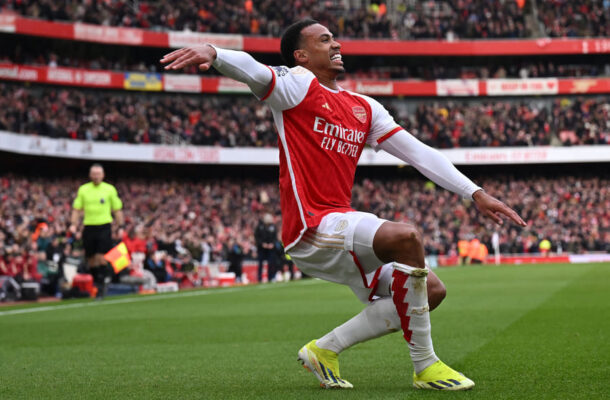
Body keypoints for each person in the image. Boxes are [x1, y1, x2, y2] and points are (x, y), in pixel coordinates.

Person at [161, 19, 526, 391]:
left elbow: (418, 152)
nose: (336, 44)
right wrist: (214, 53)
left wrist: (475, 192)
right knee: (406, 238)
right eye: (324, 40)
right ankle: (425, 365)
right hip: (311, 227)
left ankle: (325, 349)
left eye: (334, 38)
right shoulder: (295, 87)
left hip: (342, 223)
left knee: (432, 291)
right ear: (301, 55)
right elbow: (255, 71)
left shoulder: (363, 107)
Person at [70, 164, 124, 298]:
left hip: (104, 225)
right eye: (94, 174)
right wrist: (73, 224)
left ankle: (103, 283)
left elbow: (117, 209)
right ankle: (97, 283)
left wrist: (120, 225)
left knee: (101, 257)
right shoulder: (84, 189)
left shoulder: (109, 189)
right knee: (91, 259)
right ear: (90, 175)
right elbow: (77, 209)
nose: (96, 176)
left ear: (103, 175)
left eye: (98, 173)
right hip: (89, 226)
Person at [254, 213, 278, 283]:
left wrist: (272, 244)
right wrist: (262, 244)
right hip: (261, 249)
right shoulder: (259, 227)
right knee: (260, 263)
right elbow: (257, 237)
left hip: (270, 249)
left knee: (271, 263)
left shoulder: (273, 227)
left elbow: (275, 237)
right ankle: (259, 278)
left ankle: (270, 277)